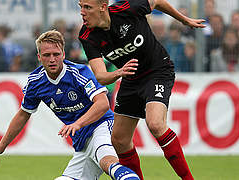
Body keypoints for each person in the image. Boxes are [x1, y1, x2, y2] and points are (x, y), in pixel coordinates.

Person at [0, 30, 140, 180]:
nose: (52, 59)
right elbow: (23, 114)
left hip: (102, 126)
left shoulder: (79, 72)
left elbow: (103, 104)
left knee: (108, 162)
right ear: (39, 57)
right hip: (82, 142)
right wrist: (1, 146)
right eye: (47, 55)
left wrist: (77, 124)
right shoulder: (36, 81)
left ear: (63, 55)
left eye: (56, 54)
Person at [78, 0, 206, 179]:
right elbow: (100, 75)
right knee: (119, 140)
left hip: (157, 70)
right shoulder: (87, 35)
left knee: (155, 123)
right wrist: (120, 73)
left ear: (103, 6)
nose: (82, 12)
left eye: (87, 7)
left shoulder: (127, 8)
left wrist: (184, 20)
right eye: (81, 7)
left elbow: (157, 2)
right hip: (130, 79)